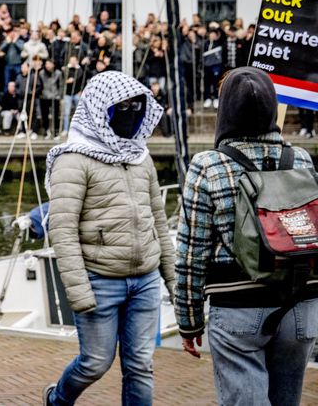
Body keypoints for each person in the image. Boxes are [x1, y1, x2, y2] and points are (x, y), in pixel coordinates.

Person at [175, 67, 317, 406]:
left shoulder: (208, 165)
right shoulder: (299, 157)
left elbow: (191, 254)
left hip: (239, 306)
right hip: (301, 304)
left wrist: (189, 320)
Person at [43, 71, 176, 406]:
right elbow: (62, 229)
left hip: (144, 280)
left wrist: (173, 279)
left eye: (137, 105)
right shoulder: (73, 160)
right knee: (95, 363)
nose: (131, 111)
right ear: (102, 108)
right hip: (99, 280)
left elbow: (157, 220)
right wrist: (79, 291)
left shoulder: (140, 156)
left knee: (141, 366)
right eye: (124, 105)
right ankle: (57, 400)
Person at [38, 59, 64, 139]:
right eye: (46, 64)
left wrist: (59, 95)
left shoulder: (58, 73)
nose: (48, 66)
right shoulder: (41, 73)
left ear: (53, 65)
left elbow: (61, 85)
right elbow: (40, 84)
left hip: (55, 97)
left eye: (49, 64)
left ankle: (56, 131)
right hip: (44, 97)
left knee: (56, 115)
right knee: (44, 115)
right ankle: (46, 130)